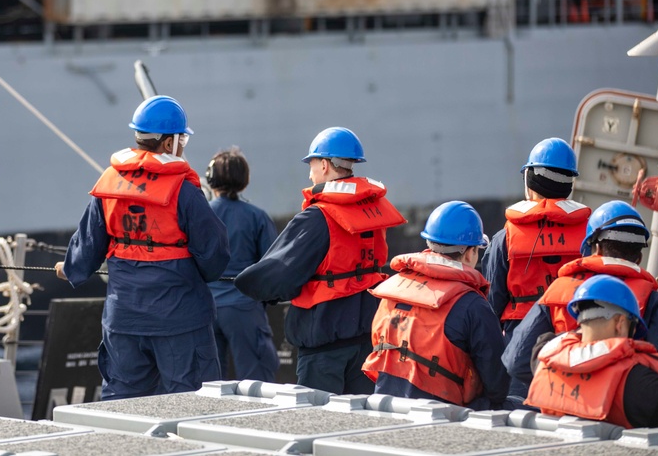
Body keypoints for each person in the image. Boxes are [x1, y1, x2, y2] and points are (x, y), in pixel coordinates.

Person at [55, 96, 230, 399]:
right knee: (196, 405)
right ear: (168, 143)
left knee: (123, 405)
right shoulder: (184, 191)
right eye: (181, 140)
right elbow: (214, 256)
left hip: (124, 319)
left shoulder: (109, 184)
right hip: (180, 320)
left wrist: (70, 269)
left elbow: (86, 245)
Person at [235, 127, 406, 394]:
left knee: (319, 421)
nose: (310, 172)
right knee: (360, 422)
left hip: (325, 348)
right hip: (366, 341)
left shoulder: (317, 217)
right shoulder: (372, 213)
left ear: (324, 165)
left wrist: (241, 283)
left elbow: (278, 273)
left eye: (312, 164)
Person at [503, 200, 658, 399]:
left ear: (595, 249)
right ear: (638, 258)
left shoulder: (557, 290)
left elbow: (516, 361)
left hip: (557, 409)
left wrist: (565, 382)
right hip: (618, 418)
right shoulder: (654, 302)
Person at [363, 201, 509, 409]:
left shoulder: (392, 290)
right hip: (443, 416)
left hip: (386, 406)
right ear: (469, 253)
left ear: (430, 243)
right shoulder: (473, 305)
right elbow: (497, 385)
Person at [527, 275, 658, 429]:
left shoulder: (543, 360)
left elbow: (548, 341)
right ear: (620, 324)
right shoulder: (637, 384)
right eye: (633, 330)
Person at [483, 138, 590, 342]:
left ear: (529, 180)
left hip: (521, 341)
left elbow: (492, 303)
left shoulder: (505, 237)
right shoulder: (589, 233)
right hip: (575, 337)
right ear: (569, 183)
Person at [206, 148, 280, 382]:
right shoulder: (257, 216)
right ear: (244, 180)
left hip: (204, 310)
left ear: (210, 178)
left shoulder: (199, 215)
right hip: (244, 310)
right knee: (257, 382)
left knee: (208, 384)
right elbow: (272, 266)